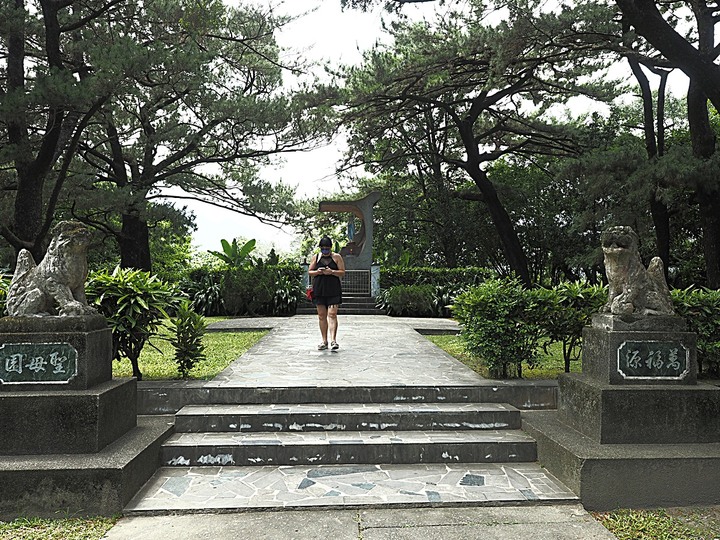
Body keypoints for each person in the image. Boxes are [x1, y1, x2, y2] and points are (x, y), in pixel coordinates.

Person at [308, 236, 345, 350]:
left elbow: (342, 272)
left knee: (332, 314)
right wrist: (318, 272)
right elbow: (310, 271)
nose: (325, 251)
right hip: (319, 289)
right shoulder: (316, 257)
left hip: (333, 289)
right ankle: (324, 341)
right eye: (323, 248)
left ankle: (333, 340)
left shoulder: (337, 257)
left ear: (330, 248)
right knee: (321, 315)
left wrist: (332, 272)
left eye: (327, 248)